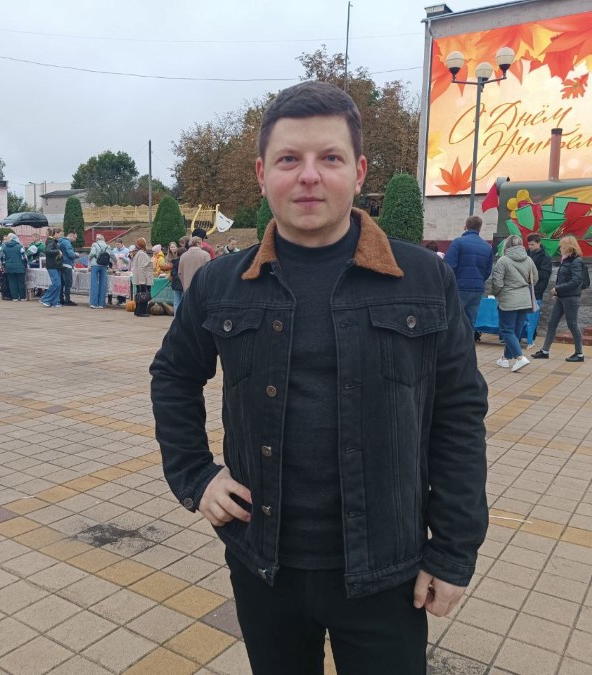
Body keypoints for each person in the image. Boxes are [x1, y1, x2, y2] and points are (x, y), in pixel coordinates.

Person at [150, 81, 488, 675]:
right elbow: (173, 375)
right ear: (263, 175)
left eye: (329, 157)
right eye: (289, 159)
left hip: (388, 569)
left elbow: (460, 413)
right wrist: (194, 475)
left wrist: (454, 551)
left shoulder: (421, 279)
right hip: (263, 562)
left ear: (358, 172)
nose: (309, 176)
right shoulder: (222, 283)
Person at [533, 234, 586, 362]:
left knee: (572, 325)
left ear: (568, 247)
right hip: (562, 297)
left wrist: (558, 289)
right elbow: (564, 279)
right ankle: (545, 351)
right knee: (552, 323)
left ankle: (579, 354)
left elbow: (576, 281)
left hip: (571, 298)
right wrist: (558, 293)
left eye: (562, 246)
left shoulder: (576, 261)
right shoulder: (566, 260)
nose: (560, 249)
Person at [490, 235, 537, 373]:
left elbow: (497, 282)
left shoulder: (503, 260)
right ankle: (505, 358)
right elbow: (535, 278)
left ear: (507, 245)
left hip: (508, 299)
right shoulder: (529, 260)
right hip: (524, 299)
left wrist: (496, 293)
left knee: (506, 330)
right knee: (515, 330)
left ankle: (520, 357)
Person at [444, 215, 493, 342]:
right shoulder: (487, 247)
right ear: (480, 228)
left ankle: (452, 349)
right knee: (470, 322)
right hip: (477, 289)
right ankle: (468, 349)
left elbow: (448, 266)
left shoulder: (458, 242)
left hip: (459, 287)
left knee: (452, 320)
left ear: (465, 226)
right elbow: (488, 271)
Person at [526, 233, 552, 347]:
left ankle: (531, 336)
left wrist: (532, 273)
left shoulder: (545, 256)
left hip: (537, 289)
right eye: (529, 244)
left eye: (532, 244)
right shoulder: (527, 253)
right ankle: (524, 335)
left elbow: (545, 274)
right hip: (526, 287)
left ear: (539, 243)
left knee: (533, 315)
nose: (530, 247)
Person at [0, 233, 28, 302]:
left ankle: (15, 297)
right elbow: (24, 258)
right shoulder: (20, 246)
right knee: (21, 282)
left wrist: (4, 265)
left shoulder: (4, 247)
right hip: (20, 267)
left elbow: (1, 258)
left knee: (12, 282)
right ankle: (22, 297)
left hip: (9, 267)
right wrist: (25, 265)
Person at [88, 234, 114, 309]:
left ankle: (94, 303)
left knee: (94, 284)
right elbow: (110, 255)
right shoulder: (108, 246)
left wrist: (89, 258)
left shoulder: (95, 244)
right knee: (103, 284)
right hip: (104, 265)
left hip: (95, 265)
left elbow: (92, 253)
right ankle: (101, 304)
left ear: (97, 239)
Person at [130, 237, 153, 317]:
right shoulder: (142, 254)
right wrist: (142, 281)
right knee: (144, 296)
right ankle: (142, 311)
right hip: (143, 279)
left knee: (140, 295)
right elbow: (141, 268)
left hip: (140, 279)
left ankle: (138, 310)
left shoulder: (138, 253)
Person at [40, 229, 63, 308]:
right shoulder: (51, 241)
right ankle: (45, 299)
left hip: (56, 265)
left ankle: (55, 302)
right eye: (60, 234)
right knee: (56, 284)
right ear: (55, 233)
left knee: (58, 285)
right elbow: (47, 251)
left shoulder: (53, 241)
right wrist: (58, 251)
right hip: (52, 265)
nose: (61, 236)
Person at [58, 231, 78, 306]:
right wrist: (76, 254)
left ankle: (61, 299)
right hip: (67, 264)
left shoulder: (60, 241)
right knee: (68, 283)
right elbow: (70, 254)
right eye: (75, 238)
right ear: (71, 235)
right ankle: (67, 300)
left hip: (61, 264)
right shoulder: (67, 242)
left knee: (62, 283)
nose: (75, 240)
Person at [168, 237, 186, 310]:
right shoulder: (185, 262)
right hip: (183, 283)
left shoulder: (174, 262)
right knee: (182, 302)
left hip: (176, 283)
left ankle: (176, 315)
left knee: (176, 302)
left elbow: (172, 273)